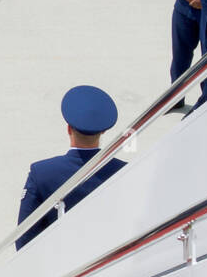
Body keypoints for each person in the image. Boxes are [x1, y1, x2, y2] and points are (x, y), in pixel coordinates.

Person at [16, 86, 127, 251]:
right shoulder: (123, 171)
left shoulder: (42, 172)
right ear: (103, 131)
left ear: (68, 128)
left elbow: (24, 239)